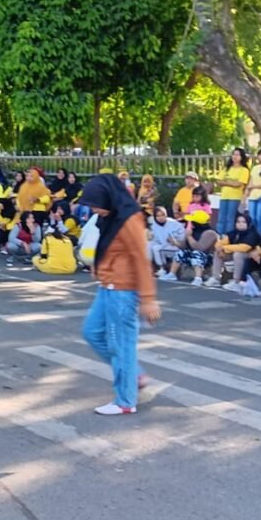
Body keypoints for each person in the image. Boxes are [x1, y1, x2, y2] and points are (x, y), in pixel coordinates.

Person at [77, 174, 159, 416]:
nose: (93, 210)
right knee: (91, 332)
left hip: (123, 291)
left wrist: (148, 299)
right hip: (107, 286)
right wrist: (98, 266)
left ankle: (125, 401)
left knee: (120, 346)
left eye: (96, 205)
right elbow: (108, 246)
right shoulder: (111, 216)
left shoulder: (130, 219)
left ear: (108, 198)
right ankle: (134, 375)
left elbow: (141, 259)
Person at [159, 210, 218, 286]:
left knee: (197, 253)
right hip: (193, 256)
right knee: (181, 252)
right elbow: (183, 246)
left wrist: (189, 237)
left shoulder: (210, 233)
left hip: (208, 258)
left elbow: (200, 248)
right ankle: (172, 274)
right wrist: (174, 242)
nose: (190, 223)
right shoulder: (192, 231)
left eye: (192, 221)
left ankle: (198, 278)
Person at [208, 213, 257, 291]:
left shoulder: (252, 234)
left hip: (250, 258)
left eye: (243, 222)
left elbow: (244, 248)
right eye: (238, 222)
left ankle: (236, 281)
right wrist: (219, 249)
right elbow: (220, 243)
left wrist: (224, 248)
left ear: (248, 223)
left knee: (238, 254)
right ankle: (216, 279)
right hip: (233, 255)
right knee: (217, 253)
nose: (240, 224)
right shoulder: (234, 233)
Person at [215, 147, 251, 235]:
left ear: (242, 157)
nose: (235, 156)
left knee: (230, 219)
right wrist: (231, 183)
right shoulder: (226, 168)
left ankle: (228, 237)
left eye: (238, 155)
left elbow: (239, 184)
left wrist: (226, 182)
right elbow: (219, 181)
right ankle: (219, 236)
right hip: (224, 196)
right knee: (221, 219)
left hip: (235, 197)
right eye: (234, 154)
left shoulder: (244, 170)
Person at [147, 207, 184, 273]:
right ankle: (148, 266)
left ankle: (162, 269)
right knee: (148, 244)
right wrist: (150, 237)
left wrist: (174, 239)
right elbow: (156, 238)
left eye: (162, 215)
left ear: (166, 215)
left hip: (175, 247)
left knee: (157, 248)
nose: (161, 218)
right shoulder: (154, 225)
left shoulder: (174, 223)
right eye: (158, 216)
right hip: (163, 245)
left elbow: (182, 238)